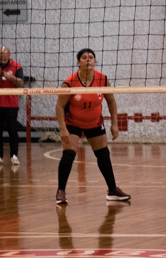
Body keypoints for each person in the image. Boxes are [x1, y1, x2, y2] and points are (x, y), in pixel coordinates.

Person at [54, 48, 130, 205]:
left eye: (91, 57)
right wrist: (63, 128)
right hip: (73, 122)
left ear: (95, 61)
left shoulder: (102, 80)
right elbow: (60, 106)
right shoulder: (70, 82)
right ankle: (61, 191)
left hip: (94, 122)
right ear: (78, 62)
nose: (88, 59)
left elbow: (111, 101)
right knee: (69, 154)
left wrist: (115, 124)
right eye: (84, 57)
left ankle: (112, 190)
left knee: (103, 154)